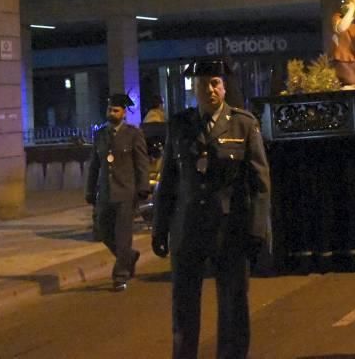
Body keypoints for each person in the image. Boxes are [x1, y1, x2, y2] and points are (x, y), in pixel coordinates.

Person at [152, 58, 271, 359]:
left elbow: (260, 184)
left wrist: (257, 230)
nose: (209, 89)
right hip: (188, 229)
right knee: (184, 310)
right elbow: (168, 182)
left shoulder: (243, 124)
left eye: (215, 83)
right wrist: (160, 228)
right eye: (203, 83)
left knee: (233, 308)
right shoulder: (180, 125)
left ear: (224, 86)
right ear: (194, 88)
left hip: (229, 230)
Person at [85, 93, 149, 291]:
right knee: (103, 231)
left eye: (116, 110)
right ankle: (129, 256)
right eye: (109, 110)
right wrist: (90, 190)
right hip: (105, 193)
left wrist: (143, 187)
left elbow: (141, 162)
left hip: (126, 192)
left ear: (123, 113)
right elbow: (95, 165)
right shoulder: (101, 135)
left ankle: (120, 275)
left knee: (123, 236)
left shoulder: (133, 134)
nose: (111, 113)